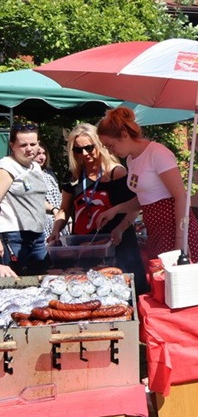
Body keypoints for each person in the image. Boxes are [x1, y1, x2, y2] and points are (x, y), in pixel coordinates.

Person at [95, 107, 198, 263]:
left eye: (110, 145)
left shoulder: (157, 153)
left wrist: (180, 242)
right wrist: (116, 211)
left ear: (124, 135)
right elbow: (145, 199)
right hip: (156, 230)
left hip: (175, 229)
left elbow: (181, 197)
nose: (110, 152)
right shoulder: (131, 160)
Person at [48, 124, 148, 294]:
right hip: (84, 246)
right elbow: (65, 209)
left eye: (89, 148)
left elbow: (134, 206)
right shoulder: (73, 176)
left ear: (99, 144)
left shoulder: (117, 172)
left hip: (118, 243)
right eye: (78, 150)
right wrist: (56, 229)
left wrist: (120, 228)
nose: (85, 154)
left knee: (126, 293)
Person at [0, 123, 50, 276]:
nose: (29, 149)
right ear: (12, 146)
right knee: (14, 286)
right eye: (23, 145)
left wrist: (54, 209)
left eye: (33, 144)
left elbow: (35, 200)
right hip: (13, 236)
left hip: (38, 236)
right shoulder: (7, 167)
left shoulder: (35, 166)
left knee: (41, 280)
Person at [35, 142, 62, 239]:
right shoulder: (28, 174)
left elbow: (58, 197)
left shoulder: (49, 173)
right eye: (38, 154)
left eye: (44, 153)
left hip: (58, 220)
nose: (42, 157)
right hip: (44, 222)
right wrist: (53, 209)